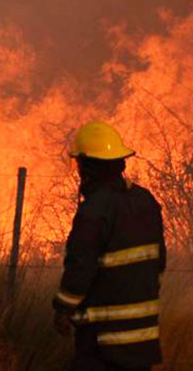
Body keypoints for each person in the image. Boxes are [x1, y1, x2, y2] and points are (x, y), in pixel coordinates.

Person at [53, 122, 166, 371]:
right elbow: (159, 263)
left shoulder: (94, 210)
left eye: (81, 164)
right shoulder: (145, 200)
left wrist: (62, 309)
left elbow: (80, 268)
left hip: (102, 343)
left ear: (89, 166)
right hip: (143, 340)